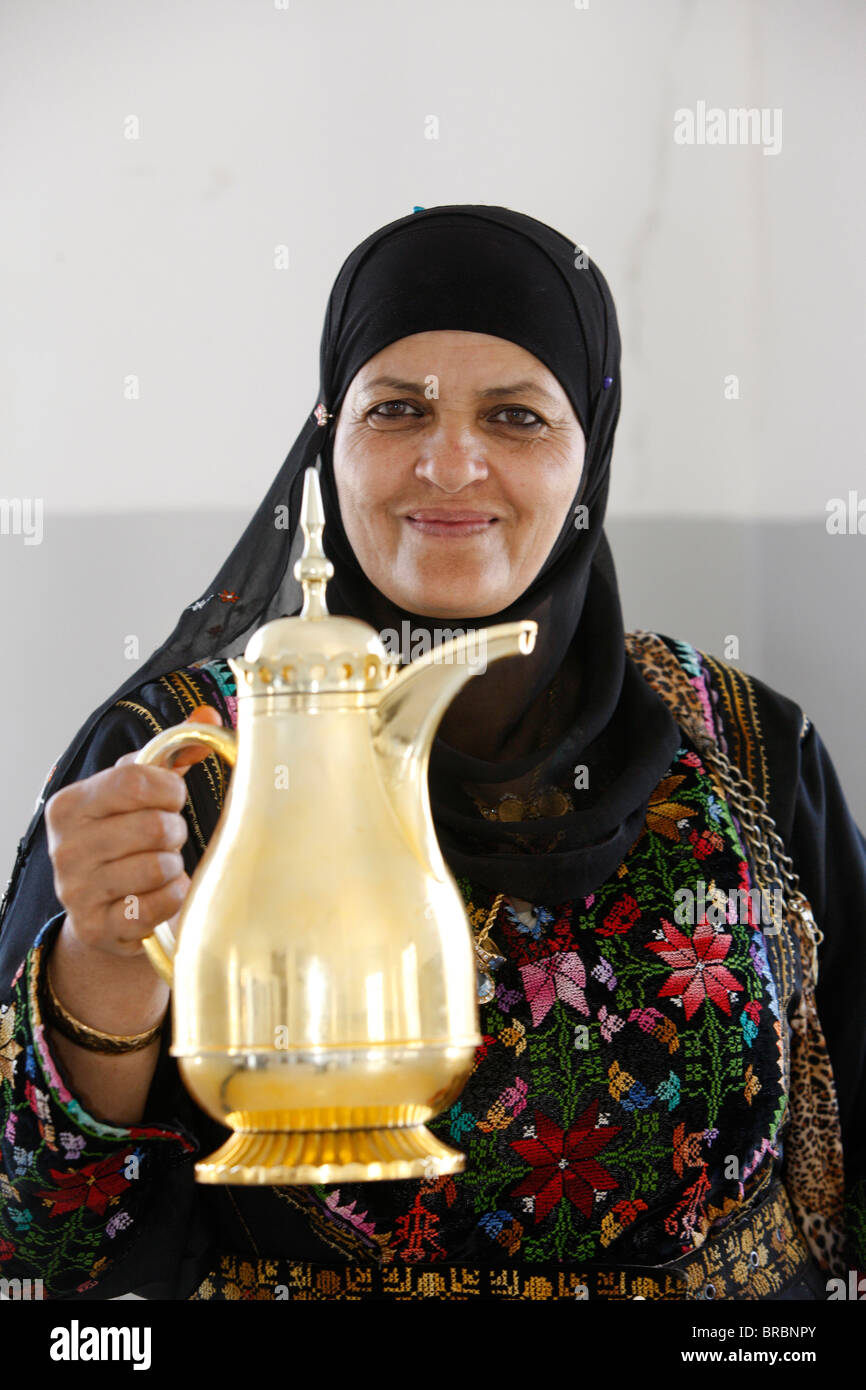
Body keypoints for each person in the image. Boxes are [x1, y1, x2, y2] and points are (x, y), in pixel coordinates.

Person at [1, 204, 864, 1302]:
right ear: (328, 441)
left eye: (513, 417)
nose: (450, 463)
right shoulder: (179, 764)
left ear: (587, 455)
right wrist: (107, 965)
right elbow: (39, 1243)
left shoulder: (745, 747)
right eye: (396, 409)